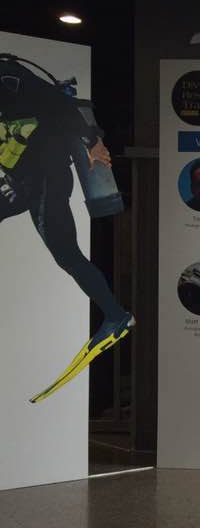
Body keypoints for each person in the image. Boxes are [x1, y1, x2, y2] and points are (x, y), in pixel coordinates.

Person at [0, 53, 133, 369]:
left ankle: (116, 317)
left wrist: (92, 142)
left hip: (46, 181)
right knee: (66, 254)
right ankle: (116, 315)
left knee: (67, 254)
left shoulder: (6, 74)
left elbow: (59, 105)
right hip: (25, 181)